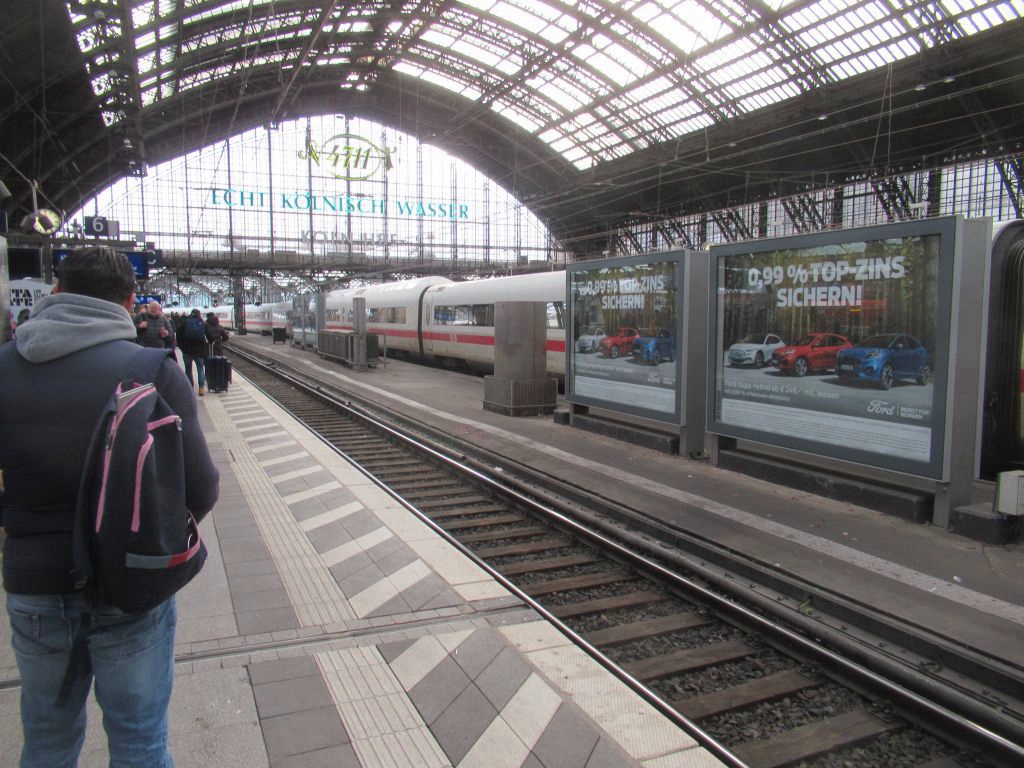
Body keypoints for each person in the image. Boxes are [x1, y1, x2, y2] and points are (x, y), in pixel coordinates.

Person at [0, 247, 220, 768]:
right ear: (128, 300)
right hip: (130, 581)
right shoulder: (151, 368)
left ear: (57, 291)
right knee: (139, 739)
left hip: (34, 582)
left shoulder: (3, 368)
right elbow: (202, 488)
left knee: (48, 739)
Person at [177, 308, 211, 396]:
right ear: (199, 315)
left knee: (188, 369)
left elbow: (178, 336)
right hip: (199, 351)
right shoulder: (202, 324)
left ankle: (190, 388)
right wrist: (209, 343)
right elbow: (210, 337)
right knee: (200, 369)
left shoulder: (184, 323)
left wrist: (181, 347)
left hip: (187, 351)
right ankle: (201, 389)